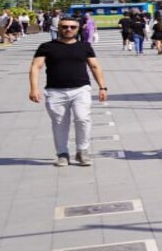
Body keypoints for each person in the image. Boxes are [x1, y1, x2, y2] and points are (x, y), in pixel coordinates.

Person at [28, 15, 108, 166]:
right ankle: (62, 154)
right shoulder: (46, 47)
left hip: (81, 89)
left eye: (72, 27)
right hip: (55, 91)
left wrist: (102, 87)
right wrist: (34, 88)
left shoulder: (84, 46)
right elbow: (35, 67)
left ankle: (82, 151)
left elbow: (95, 66)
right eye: (64, 27)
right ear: (58, 28)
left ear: (78, 29)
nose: (68, 29)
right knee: (59, 123)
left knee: (83, 118)